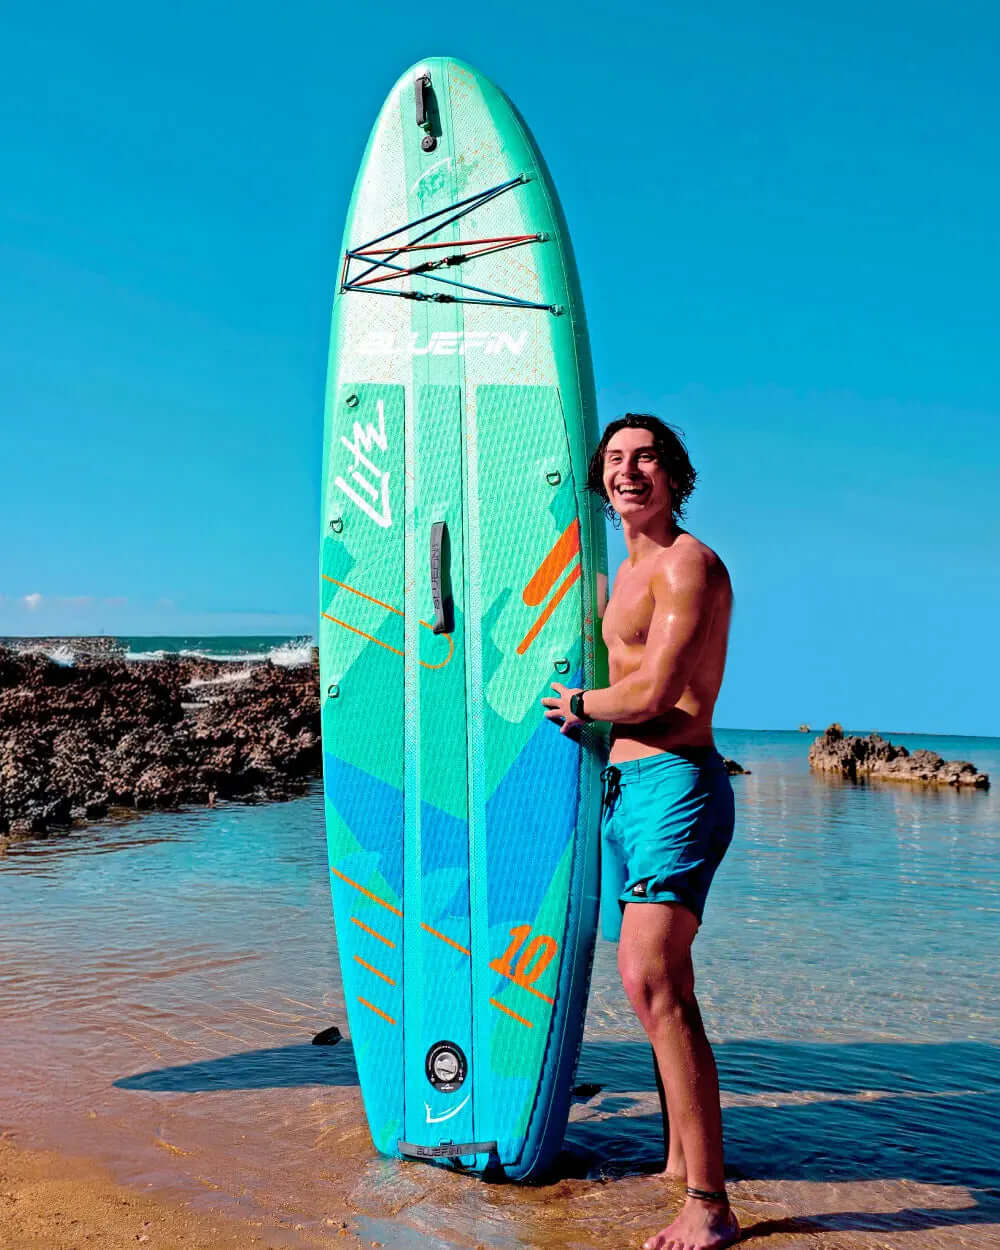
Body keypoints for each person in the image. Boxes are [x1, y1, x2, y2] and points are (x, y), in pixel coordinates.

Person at [541, 414, 739, 1250]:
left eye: (646, 457)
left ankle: (710, 1204)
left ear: (675, 474)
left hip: (676, 787)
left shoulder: (687, 565)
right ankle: (674, 1160)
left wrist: (577, 706)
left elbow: (657, 690)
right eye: (615, 460)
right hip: (624, 790)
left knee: (655, 984)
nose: (629, 471)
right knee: (653, 984)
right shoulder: (621, 573)